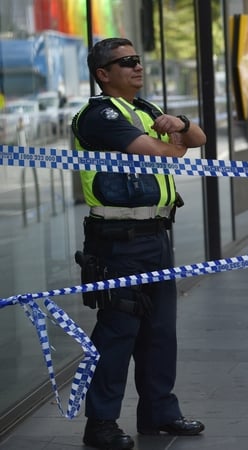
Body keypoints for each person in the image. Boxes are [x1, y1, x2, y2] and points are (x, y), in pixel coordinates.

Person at [72, 37, 207, 449]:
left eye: (137, 59)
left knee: (160, 331)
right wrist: (175, 142)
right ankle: (101, 424)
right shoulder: (99, 116)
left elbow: (196, 140)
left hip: (156, 234)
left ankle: (159, 413)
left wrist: (182, 126)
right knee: (117, 331)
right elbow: (160, 153)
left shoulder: (145, 110)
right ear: (103, 74)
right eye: (125, 62)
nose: (136, 67)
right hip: (118, 240)